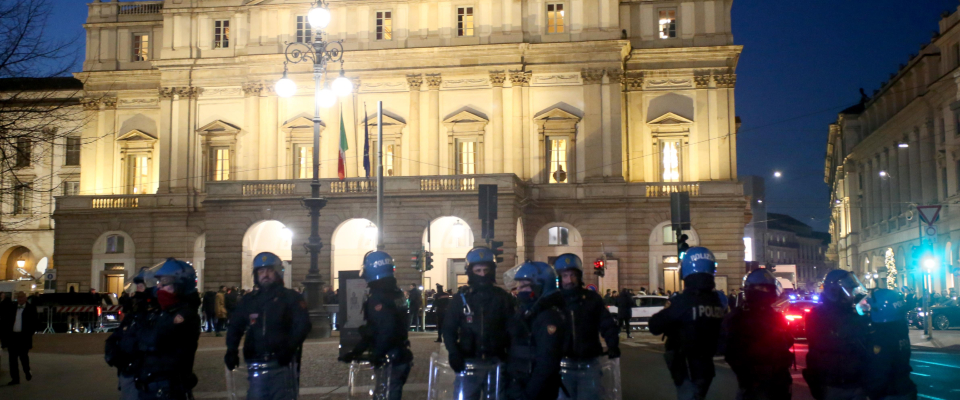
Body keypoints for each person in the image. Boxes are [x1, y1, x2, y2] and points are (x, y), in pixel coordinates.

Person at [225, 252, 311, 400]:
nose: (265, 275)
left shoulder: (290, 297)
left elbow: (302, 325)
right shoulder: (249, 300)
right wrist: (231, 349)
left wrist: (289, 347)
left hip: (281, 362)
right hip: (255, 361)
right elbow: (235, 326)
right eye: (261, 271)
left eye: (270, 271)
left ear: (277, 272)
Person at [649, 247, 726, 400]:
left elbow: (655, 325)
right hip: (706, 367)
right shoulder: (717, 300)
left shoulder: (684, 301)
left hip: (686, 366)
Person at [442, 246, 515, 400]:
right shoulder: (461, 298)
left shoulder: (502, 298)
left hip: (496, 362)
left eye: (486, 270)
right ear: (470, 272)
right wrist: (453, 352)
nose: (482, 274)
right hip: (468, 361)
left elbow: (512, 329)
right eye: (478, 271)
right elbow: (449, 328)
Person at [338, 251, 412, 400]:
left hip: (389, 356)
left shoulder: (378, 295)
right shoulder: (395, 292)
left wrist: (376, 353)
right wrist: (357, 351)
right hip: (400, 353)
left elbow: (384, 329)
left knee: (385, 394)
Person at [553, 253, 620, 400]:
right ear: (559, 278)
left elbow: (606, 323)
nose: (569, 280)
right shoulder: (554, 301)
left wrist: (612, 344)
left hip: (589, 361)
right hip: (562, 363)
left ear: (579, 276)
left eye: (572, 275)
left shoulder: (591, 299)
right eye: (565, 276)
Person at [134, 258, 201, 400]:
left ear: (180, 285)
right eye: (159, 282)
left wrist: (140, 321)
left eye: (165, 283)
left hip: (169, 387)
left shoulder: (185, 314)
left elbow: (153, 339)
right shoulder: (166, 311)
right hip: (152, 383)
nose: (160, 287)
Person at [722, 269, 794, 400]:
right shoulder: (739, 317)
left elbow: (787, 341)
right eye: (761, 288)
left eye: (767, 289)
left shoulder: (738, 316)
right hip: (756, 382)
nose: (764, 292)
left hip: (773, 381)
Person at [803, 269, 870, 400]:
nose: (851, 294)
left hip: (854, 382)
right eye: (849, 290)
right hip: (833, 384)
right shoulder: (819, 316)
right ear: (835, 291)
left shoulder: (851, 314)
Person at [505, 261, 566, 400]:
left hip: (534, 390)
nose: (519, 289)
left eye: (524, 285)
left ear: (540, 287)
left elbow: (547, 362)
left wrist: (528, 395)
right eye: (519, 284)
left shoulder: (548, 317)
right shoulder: (527, 311)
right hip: (519, 384)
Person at [106, 268, 157, 400]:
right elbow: (115, 337)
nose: (136, 290)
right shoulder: (133, 315)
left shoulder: (156, 315)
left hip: (145, 373)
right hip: (127, 371)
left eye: (140, 286)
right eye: (137, 286)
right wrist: (113, 355)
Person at [863, 289, 917, 400]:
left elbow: (879, 370)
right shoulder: (900, 328)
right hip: (905, 388)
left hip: (888, 392)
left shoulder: (881, 335)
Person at [1, 292, 38, 385]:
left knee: (23, 357)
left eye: (22, 297)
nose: (20, 299)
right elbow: (7, 321)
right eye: (19, 298)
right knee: (12, 360)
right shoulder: (12, 307)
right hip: (13, 336)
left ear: (25, 298)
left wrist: (29, 333)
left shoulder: (31, 308)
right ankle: (15, 379)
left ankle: (27, 371)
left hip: (23, 337)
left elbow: (34, 322)